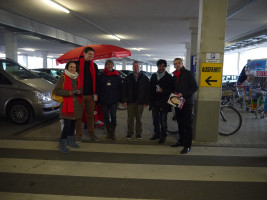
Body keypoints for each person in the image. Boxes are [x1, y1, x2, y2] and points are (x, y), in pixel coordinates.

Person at [170, 58, 198, 154]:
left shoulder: (188, 74)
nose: (177, 65)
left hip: (187, 102)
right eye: (175, 64)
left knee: (187, 124)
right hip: (177, 102)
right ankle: (181, 141)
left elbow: (195, 87)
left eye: (178, 63)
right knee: (180, 123)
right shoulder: (174, 75)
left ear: (182, 64)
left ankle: (187, 145)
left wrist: (183, 93)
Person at [54, 61, 83, 153]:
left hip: (76, 105)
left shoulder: (77, 78)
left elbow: (82, 89)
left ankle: (71, 142)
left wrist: (80, 92)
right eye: (70, 67)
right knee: (67, 126)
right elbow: (57, 90)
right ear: (67, 68)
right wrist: (69, 92)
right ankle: (62, 144)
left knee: (73, 126)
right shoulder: (63, 77)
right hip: (67, 105)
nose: (72, 69)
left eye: (74, 67)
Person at [76, 47, 99, 142]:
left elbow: (96, 80)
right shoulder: (77, 64)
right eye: (90, 54)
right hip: (80, 94)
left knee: (90, 116)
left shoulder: (94, 65)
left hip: (90, 95)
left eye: (93, 55)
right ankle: (79, 135)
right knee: (79, 116)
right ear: (84, 53)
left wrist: (96, 93)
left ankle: (92, 133)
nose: (91, 56)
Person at [122, 61, 150, 139]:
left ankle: (138, 133)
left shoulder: (145, 78)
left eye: (137, 66)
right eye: (134, 66)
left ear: (140, 68)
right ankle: (129, 133)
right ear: (132, 67)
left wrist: (146, 102)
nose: (136, 68)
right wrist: (124, 100)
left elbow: (148, 91)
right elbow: (124, 90)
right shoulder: (128, 77)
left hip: (140, 102)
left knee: (139, 119)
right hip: (130, 101)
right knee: (130, 119)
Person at [149, 59, 173, 144]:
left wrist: (163, 90)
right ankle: (157, 134)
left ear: (165, 67)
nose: (161, 68)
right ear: (157, 66)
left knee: (163, 120)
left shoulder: (169, 77)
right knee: (155, 119)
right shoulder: (153, 76)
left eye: (163, 66)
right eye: (160, 66)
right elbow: (150, 88)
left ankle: (163, 135)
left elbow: (171, 90)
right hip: (155, 102)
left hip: (164, 102)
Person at [98, 60, 122, 140]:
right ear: (105, 66)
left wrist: (120, 99)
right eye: (108, 64)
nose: (109, 66)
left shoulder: (117, 76)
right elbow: (99, 89)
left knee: (113, 116)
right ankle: (108, 132)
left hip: (114, 100)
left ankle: (113, 132)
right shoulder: (101, 76)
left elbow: (120, 88)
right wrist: (98, 100)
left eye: (111, 64)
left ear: (113, 66)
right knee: (106, 117)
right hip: (104, 100)